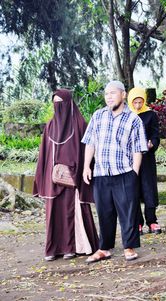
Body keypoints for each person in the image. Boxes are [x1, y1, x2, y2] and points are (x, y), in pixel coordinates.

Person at [81, 80, 148, 263]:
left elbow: (138, 149)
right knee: (104, 212)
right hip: (101, 173)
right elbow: (90, 142)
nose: (109, 97)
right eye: (106, 94)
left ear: (123, 95)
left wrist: (134, 173)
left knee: (128, 211)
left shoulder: (134, 119)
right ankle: (104, 248)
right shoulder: (98, 116)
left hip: (124, 172)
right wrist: (87, 166)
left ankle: (129, 247)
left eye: (113, 93)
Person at [33, 88, 99, 261]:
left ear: (69, 104)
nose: (57, 107)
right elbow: (44, 154)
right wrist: (43, 177)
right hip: (53, 178)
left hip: (73, 177)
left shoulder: (79, 124)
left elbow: (87, 150)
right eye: (55, 103)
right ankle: (54, 249)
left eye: (60, 103)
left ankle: (73, 247)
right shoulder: (50, 125)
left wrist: (80, 169)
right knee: (54, 213)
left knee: (71, 210)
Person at [128, 87, 161, 235]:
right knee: (133, 189)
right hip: (129, 159)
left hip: (146, 158)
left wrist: (152, 143)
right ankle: (138, 223)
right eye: (135, 102)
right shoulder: (126, 115)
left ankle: (152, 221)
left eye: (140, 102)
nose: (137, 105)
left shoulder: (151, 115)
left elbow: (155, 134)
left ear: (144, 100)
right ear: (130, 101)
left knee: (149, 188)